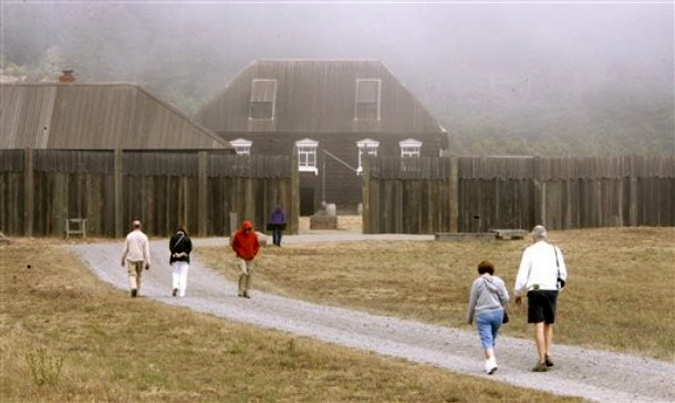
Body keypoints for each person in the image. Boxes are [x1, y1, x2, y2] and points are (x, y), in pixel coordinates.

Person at [514, 225, 568, 372]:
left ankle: (541, 360)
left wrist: (517, 292)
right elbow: (562, 272)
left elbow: (522, 273)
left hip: (536, 290)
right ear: (545, 236)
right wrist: (558, 288)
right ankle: (547, 352)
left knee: (538, 323)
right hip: (551, 289)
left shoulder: (529, 251)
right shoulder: (555, 250)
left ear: (533, 237)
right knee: (549, 323)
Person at [466, 260, 510, 375]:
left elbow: (473, 301)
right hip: (497, 314)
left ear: (479, 271)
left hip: (482, 314)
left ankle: (492, 361)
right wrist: (502, 308)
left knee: (486, 339)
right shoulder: (499, 281)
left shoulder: (477, 283)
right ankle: (488, 364)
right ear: (492, 270)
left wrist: (469, 318)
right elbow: (506, 298)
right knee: (491, 339)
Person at [120, 220, 151, 298]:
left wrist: (122, 259)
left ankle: (133, 287)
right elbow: (146, 250)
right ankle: (137, 292)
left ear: (133, 226)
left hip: (131, 258)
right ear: (140, 226)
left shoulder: (129, 236)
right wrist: (148, 261)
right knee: (139, 275)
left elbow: (125, 249)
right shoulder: (144, 236)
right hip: (140, 258)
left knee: (132, 274)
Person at [231, 220, 260, 298]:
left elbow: (257, 245)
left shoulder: (253, 235)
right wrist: (238, 252)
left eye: (249, 229)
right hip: (241, 257)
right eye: (246, 229)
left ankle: (247, 291)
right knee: (243, 272)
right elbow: (234, 245)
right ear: (243, 228)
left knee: (250, 273)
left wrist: (254, 253)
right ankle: (241, 290)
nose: (247, 231)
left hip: (250, 257)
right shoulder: (238, 235)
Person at [169, 226, 192, 297]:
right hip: (184, 259)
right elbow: (190, 248)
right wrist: (183, 253)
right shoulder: (187, 238)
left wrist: (175, 254)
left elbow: (171, 247)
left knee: (175, 273)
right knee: (183, 275)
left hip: (175, 259)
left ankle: (175, 286)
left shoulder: (173, 237)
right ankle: (182, 292)